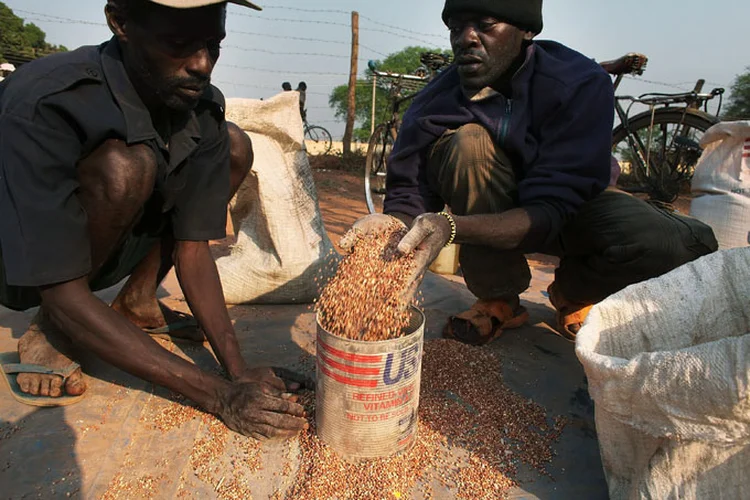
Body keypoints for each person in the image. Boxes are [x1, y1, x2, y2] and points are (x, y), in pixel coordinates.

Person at [0, 0, 308, 440]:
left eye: (213, 44)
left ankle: (137, 302)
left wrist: (237, 372)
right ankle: (55, 325)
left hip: (95, 248)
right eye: (180, 44)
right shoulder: (48, 100)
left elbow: (192, 248)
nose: (203, 64)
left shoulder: (199, 105)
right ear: (120, 22)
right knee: (128, 165)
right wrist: (218, 395)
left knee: (232, 145)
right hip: (19, 259)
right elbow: (58, 280)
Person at [341, 0, 718, 344]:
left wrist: (450, 227)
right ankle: (498, 298)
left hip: (571, 210)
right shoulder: (434, 101)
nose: (466, 39)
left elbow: (551, 210)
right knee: (467, 142)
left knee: (683, 243)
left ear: (526, 31)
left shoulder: (578, 83)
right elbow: (409, 193)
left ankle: (574, 291)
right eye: (456, 27)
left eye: (485, 24)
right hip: (489, 203)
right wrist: (391, 224)